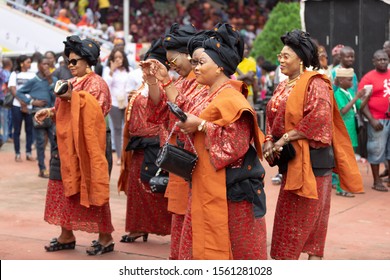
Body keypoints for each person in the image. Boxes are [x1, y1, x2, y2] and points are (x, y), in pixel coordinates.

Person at [145, 23, 268, 260]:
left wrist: (200, 126)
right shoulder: (209, 92)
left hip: (230, 189)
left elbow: (235, 146)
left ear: (220, 66)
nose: (195, 68)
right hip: (203, 182)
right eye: (194, 62)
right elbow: (181, 110)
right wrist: (162, 80)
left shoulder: (231, 97)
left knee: (234, 251)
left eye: (201, 62)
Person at [264, 30, 364, 260]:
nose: (280, 59)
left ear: (300, 58)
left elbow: (317, 120)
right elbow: (272, 118)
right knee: (288, 220)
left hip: (314, 164)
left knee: (310, 224)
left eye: (286, 55)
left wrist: (284, 139)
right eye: (280, 54)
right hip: (291, 162)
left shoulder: (316, 84)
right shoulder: (282, 86)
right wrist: (269, 140)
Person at [35, 35, 114, 255]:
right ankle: (66, 235)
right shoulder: (73, 82)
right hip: (64, 144)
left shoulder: (97, 83)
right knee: (62, 187)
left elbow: (97, 114)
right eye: (68, 62)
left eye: (74, 61)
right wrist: (51, 111)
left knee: (92, 187)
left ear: (87, 61)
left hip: (87, 148)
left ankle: (106, 238)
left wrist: (73, 98)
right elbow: (65, 111)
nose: (70, 66)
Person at [141, 23, 208, 260]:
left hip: (198, 159)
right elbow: (159, 112)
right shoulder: (179, 80)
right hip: (179, 160)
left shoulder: (203, 79)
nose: (172, 66)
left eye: (173, 61)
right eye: (168, 63)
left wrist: (166, 82)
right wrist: (151, 81)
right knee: (180, 218)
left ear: (189, 54)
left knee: (195, 220)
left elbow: (184, 111)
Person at [117, 38, 172, 244]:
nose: (145, 68)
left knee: (152, 187)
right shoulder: (143, 86)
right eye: (144, 65)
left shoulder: (159, 86)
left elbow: (157, 103)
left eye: (150, 65)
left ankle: (163, 227)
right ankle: (138, 227)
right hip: (139, 144)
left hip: (153, 144)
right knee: (137, 188)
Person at [16, 57, 56, 178]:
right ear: (39, 65)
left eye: (48, 64)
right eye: (44, 64)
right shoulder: (34, 80)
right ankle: (42, 168)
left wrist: (50, 81)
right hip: (38, 114)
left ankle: (53, 168)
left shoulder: (53, 79)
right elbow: (19, 92)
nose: (46, 66)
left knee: (54, 142)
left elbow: (57, 96)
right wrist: (32, 102)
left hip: (52, 114)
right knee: (40, 142)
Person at [332, 67, 367, 197]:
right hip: (342, 131)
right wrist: (356, 97)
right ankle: (341, 188)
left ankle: (346, 185)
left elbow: (359, 106)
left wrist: (366, 97)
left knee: (348, 159)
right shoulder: (338, 94)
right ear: (341, 81)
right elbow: (343, 111)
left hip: (351, 131)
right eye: (349, 79)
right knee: (343, 160)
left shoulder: (350, 92)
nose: (352, 82)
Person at [359, 49, 390, 192]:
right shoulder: (368, 78)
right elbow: (361, 102)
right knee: (376, 150)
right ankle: (377, 181)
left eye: (385, 59)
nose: (383, 62)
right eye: (380, 59)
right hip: (378, 121)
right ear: (374, 61)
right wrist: (371, 119)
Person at [103, 48, 132, 165]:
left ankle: (127, 154)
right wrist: (111, 70)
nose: (119, 60)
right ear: (112, 59)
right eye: (116, 58)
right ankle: (120, 156)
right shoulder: (107, 70)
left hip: (126, 103)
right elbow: (106, 85)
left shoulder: (129, 70)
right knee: (117, 129)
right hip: (114, 103)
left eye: (121, 57)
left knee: (127, 129)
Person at [8, 55, 36, 162]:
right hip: (17, 106)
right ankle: (17, 153)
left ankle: (28, 153)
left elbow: (35, 90)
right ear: (22, 63)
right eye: (28, 62)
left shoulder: (33, 75)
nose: (30, 64)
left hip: (29, 106)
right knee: (17, 130)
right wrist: (22, 103)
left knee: (29, 130)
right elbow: (13, 89)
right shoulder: (15, 74)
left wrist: (27, 103)